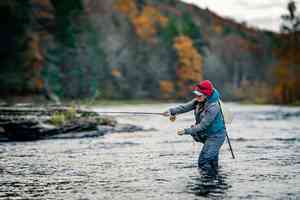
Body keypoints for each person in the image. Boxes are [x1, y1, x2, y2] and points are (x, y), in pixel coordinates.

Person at [163, 80, 226, 175]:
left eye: (199, 95)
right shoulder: (199, 100)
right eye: (196, 94)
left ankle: (208, 185)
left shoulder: (214, 106)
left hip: (216, 136)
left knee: (203, 161)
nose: (197, 97)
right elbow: (184, 107)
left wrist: (186, 131)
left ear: (207, 95)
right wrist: (171, 111)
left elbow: (203, 125)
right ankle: (214, 184)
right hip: (207, 135)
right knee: (212, 162)